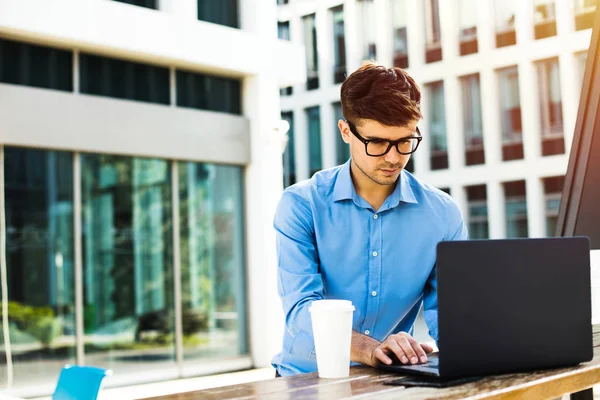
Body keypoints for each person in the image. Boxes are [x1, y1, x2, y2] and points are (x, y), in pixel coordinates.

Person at [271, 61, 468, 377]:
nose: (394, 157)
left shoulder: (442, 214)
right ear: (346, 131)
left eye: (405, 141)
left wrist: (474, 350)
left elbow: (449, 314)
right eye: (377, 142)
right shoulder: (301, 205)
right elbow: (301, 312)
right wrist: (370, 349)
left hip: (389, 380)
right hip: (306, 379)